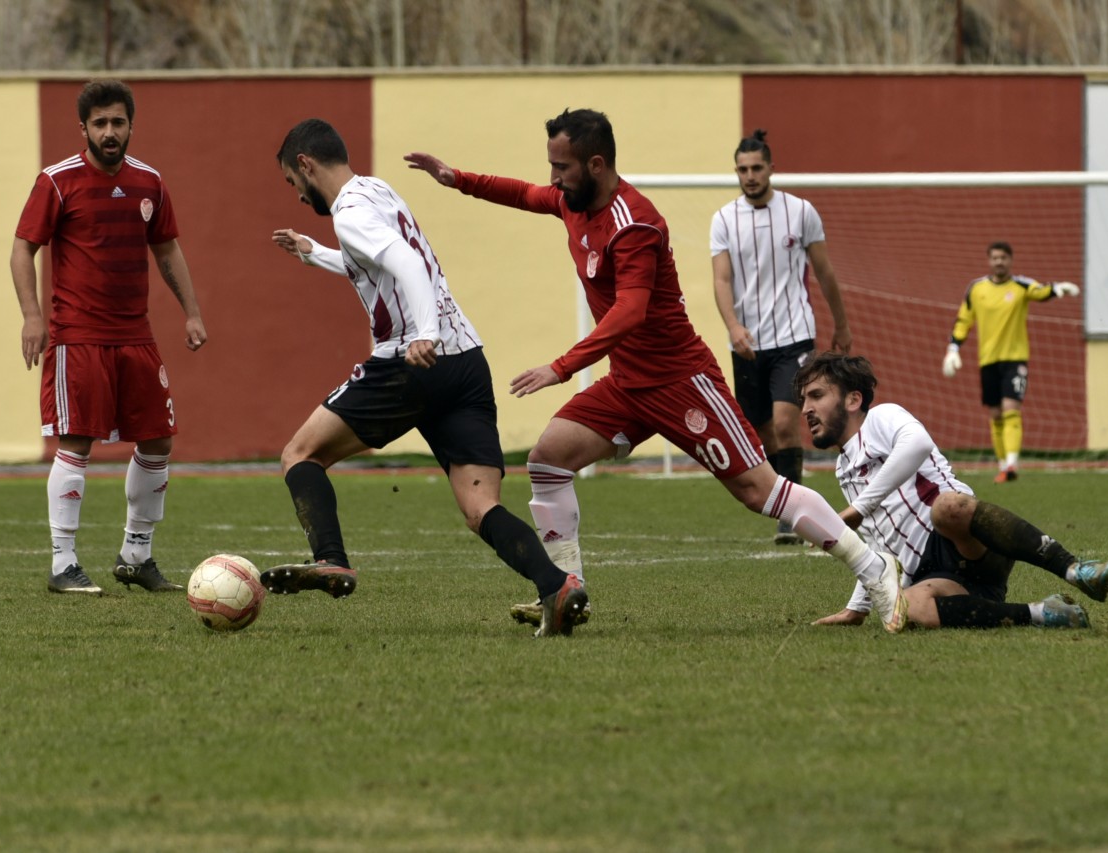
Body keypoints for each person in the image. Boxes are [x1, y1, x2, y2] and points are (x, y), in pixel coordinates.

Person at [404, 108, 907, 634]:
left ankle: (875, 569)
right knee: (548, 461)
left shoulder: (635, 222)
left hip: (680, 381)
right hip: (627, 384)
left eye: (562, 166)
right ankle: (564, 589)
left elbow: (630, 311)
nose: (553, 178)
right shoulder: (571, 201)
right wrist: (457, 179)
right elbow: (524, 194)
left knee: (758, 491)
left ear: (596, 165)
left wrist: (561, 367)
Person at [262, 118, 587, 638]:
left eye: (291, 182)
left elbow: (408, 266)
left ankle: (331, 559)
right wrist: (313, 253)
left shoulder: (349, 213)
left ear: (306, 164)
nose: (298, 196)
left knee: (299, 455)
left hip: (412, 362)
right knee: (480, 507)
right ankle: (556, 585)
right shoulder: (377, 190)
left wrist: (425, 334)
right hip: (466, 361)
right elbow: (374, 263)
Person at [11, 79, 207, 596]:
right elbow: (22, 249)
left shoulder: (150, 182)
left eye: (118, 122)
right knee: (77, 441)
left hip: (135, 335)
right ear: (84, 129)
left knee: (158, 439)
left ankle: (135, 555)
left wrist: (191, 313)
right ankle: (63, 563)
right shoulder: (57, 181)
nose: (109, 131)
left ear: (131, 125)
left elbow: (167, 249)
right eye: (99, 123)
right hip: (78, 336)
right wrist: (32, 317)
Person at [795, 351, 1108, 629]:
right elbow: (876, 543)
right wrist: (857, 608)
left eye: (817, 395)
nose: (806, 409)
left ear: (853, 399)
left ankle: (1075, 569)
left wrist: (858, 509)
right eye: (803, 400)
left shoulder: (881, 418)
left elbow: (918, 443)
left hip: (966, 538)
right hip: (935, 576)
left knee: (947, 507)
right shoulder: (843, 469)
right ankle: (1043, 613)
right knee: (907, 607)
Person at [711, 129, 852, 545]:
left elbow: (824, 271)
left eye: (757, 168)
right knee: (762, 432)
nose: (750, 176)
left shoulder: (801, 211)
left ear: (771, 168)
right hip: (747, 343)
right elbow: (721, 279)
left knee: (788, 421)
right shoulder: (723, 219)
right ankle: (788, 501)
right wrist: (733, 326)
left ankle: (791, 517)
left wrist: (841, 323)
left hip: (794, 336)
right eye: (743, 169)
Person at [941, 241, 1079, 484]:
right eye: (995, 258)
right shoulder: (976, 289)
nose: (999, 262)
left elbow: (1040, 291)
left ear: (1010, 260)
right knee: (995, 414)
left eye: (1003, 258)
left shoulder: (1020, 285)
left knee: (1011, 409)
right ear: (989, 261)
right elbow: (964, 320)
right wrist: (953, 349)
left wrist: (1059, 289)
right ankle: (1003, 465)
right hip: (988, 360)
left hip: (1015, 359)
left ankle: (1013, 463)